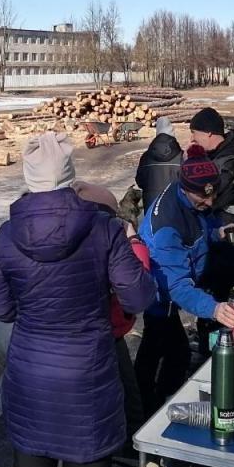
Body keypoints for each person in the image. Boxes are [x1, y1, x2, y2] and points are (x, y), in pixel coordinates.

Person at [0, 133, 155, 467]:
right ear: (69, 173)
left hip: (30, 377)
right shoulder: (105, 229)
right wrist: (131, 241)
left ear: (29, 176)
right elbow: (138, 298)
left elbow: (1, 309)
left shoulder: (5, 236)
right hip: (87, 377)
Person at [136, 145, 234, 416]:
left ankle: (156, 401)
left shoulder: (189, 197)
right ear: (185, 189)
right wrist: (214, 308)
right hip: (160, 294)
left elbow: (197, 230)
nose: (209, 202)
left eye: (213, 194)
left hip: (170, 290)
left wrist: (219, 232)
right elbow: (177, 286)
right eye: (203, 197)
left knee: (167, 352)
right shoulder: (167, 228)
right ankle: (145, 410)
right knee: (165, 351)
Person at [71, 180, 150, 447]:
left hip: (84, 334)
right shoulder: (106, 242)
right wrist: (134, 239)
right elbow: (138, 288)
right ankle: (131, 446)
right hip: (106, 332)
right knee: (125, 394)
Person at [189, 107, 234, 353]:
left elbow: (208, 197)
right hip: (223, 233)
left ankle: (215, 351)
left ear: (208, 133)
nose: (192, 139)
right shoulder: (223, 155)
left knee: (217, 294)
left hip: (229, 239)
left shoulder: (229, 163)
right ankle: (210, 344)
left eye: (195, 134)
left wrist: (191, 167)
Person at [135, 116, 182, 213]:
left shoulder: (146, 157)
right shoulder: (181, 156)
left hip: (151, 208)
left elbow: (140, 181)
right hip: (175, 208)